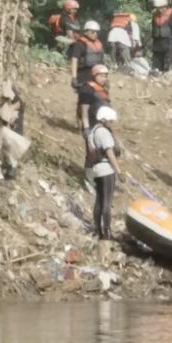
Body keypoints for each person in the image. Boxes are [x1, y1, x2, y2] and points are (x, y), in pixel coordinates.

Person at [87, 106, 122, 240]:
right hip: (107, 169)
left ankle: (98, 230)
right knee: (107, 202)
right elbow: (109, 152)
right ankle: (106, 232)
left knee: (99, 201)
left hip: (97, 170)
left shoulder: (94, 131)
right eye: (110, 121)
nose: (111, 123)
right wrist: (119, 171)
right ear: (105, 119)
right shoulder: (104, 133)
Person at [78, 64, 111, 189]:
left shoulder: (102, 90)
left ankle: (99, 179)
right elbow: (84, 110)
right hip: (91, 125)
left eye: (105, 76)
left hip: (102, 125)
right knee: (92, 153)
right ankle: (89, 179)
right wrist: (86, 129)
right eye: (101, 76)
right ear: (94, 75)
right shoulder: (87, 89)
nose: (104, 78)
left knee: (105, 152)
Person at [69, 20, 105, 88]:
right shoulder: (80, 44)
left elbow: (102, 60)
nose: (95, 34)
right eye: (93, 32)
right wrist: (74, 77)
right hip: (83, 74)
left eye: (97, 32)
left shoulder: (99, 43)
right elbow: (74, 60)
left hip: (96, 74)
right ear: (86, 32)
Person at [151, 0, 172, 73]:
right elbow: (153, 32)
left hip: (168, 46)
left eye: (161, 8)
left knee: (167, 69)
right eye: (157, 8)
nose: (159, 10)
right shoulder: (155, 16)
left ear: (165, 6)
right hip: (157, 46)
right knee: (155, 69)